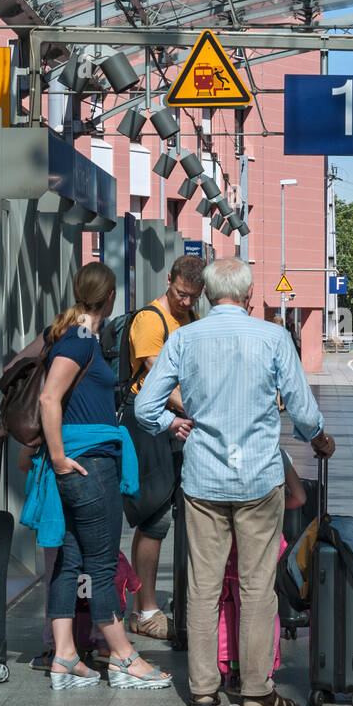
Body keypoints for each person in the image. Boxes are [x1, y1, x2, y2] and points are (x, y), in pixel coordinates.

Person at [136, 258, 334, 706]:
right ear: (248, 297)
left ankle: (203, 690)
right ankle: (257, 690)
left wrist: (173, 423)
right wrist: (320, 438)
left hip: (202, 480)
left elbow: (146, 405)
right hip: (259, 479)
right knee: (257, 588)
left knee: (203, 587)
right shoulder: (273, 337)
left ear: (205, 296)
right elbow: (303, 412)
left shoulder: (183, 338)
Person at [20, 262, 183, 690]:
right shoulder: (78, 340)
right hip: (87, 463)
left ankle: (65, 657)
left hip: (82, 459)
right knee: (103, 562)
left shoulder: (71, 335)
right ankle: (125, 657)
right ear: (109, 298)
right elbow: (49, 398)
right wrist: (57, 457)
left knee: (71, 561)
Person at [124, 255, 206, 641]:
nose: (185, 302)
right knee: (153, 518)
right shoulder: (149, 320)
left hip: (177, 429)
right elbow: (159, 381)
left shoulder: (190, 319)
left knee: (176, 514)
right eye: (180, 293)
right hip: (149, 426)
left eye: (193, 296)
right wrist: (197, 407)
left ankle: (163, 603)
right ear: (168, 279)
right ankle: (146, 610)